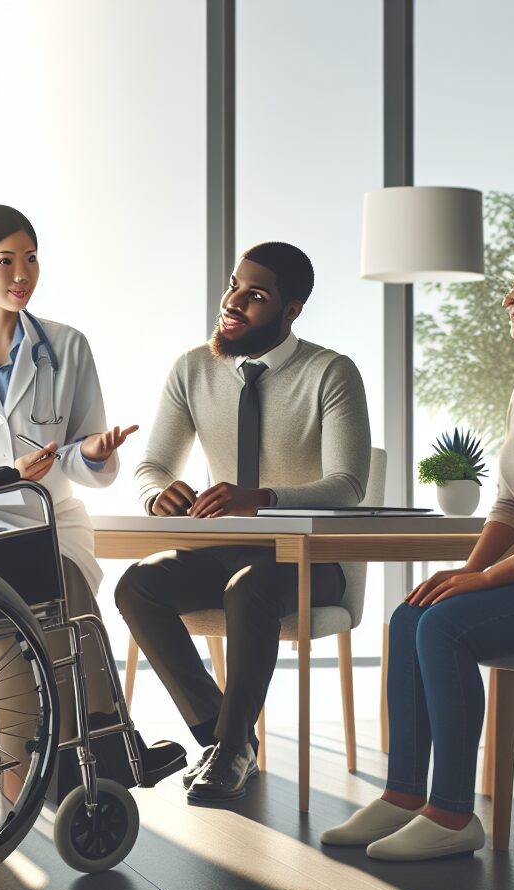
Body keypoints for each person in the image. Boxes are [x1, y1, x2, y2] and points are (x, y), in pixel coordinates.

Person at [322, 226, 514, 860]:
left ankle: (453, 814)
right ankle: (403, 795)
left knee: (446, 625)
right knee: (412, 614)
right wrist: (464, 573)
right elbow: (510, 504)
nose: (507, 298)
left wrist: (483, 582)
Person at [0, 204, 186, 797]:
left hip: (52, 517)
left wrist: (90, 452)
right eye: (5, 261)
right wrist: (5, 475)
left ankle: (96, 745)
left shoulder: (67, 346)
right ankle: (101, 745)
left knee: (61, 582)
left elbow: (79, 456)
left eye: (32, 258)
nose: (22, 274)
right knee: (40, 599)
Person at [115, 242, 371, 803]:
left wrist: (261, 498)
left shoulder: (331, 372)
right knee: (137, 585)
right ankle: (224, 740)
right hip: (226, 552)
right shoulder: (192, 369)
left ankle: (230, 747)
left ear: (291, 310)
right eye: (234, 286)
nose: (232, 302)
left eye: (255, 296)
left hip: (311, 561)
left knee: (250, 587)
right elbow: (151, 466)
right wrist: (158, 494)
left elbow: (349, 484)